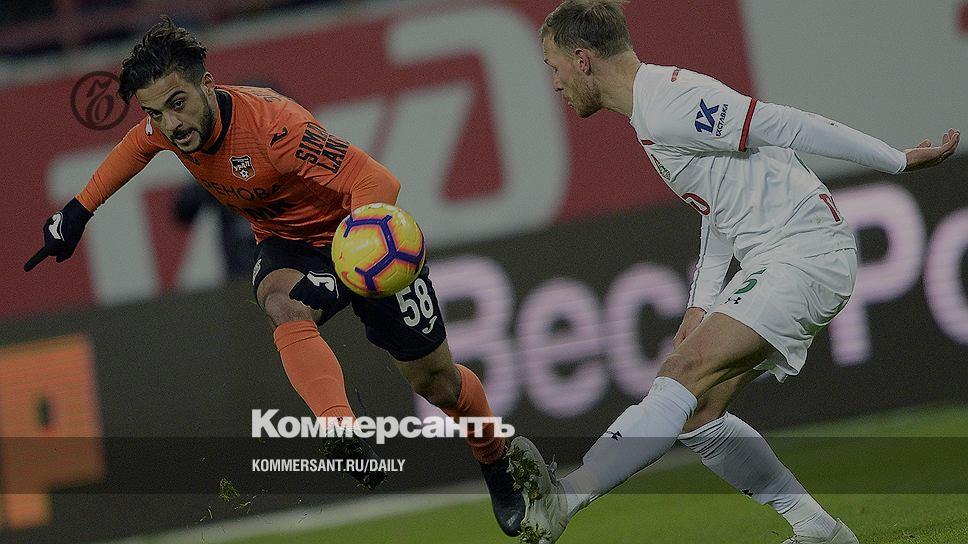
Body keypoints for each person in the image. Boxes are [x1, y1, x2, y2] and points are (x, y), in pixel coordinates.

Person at [23, 17, 523, 537]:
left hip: (363, 239)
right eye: (155, 113)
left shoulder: (274, 128)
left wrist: (350, 265)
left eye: (177, 104)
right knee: (280, 302)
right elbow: (135, 146)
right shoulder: (168, 128)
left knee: (438, 384)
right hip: (288, 244)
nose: (170, 124)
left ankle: (497, 463)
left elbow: (378, 180)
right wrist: (78, 211)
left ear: (207, 85)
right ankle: (340, 427)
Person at [508, 2, 960, 544]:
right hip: (785, 255)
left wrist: (895, 159)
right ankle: (817, 530)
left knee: (682, 373)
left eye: (555, 66)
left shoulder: (669, 104)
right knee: (698, 411)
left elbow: (783, 123)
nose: (555, 83)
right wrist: (700, 304)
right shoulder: (651, 111)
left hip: (804, 251)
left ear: (582, 60)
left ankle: (565, 498)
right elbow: (719, 207)